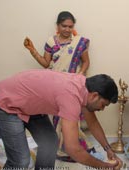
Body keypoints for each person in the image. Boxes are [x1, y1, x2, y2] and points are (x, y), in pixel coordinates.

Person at [0, 69, 122, 170]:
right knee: (20, 161)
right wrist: (104, 166)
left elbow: (92, 122)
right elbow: (73, 149)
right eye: (103, 105)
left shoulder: (84, 87)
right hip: (5, 103)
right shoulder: (71, 96)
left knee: (50, 142)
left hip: (26, 103)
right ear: (94, 95)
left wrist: (108, 150)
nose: (102, 109)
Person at [23, 11, 93, 161]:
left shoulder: (79, 42)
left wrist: (80, 74)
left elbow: (86, 61)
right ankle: (62, 149)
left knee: (72, 117)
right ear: (58, 26)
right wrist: (32, 50)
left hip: (72, 86)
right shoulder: (51, 42)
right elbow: (46, 64)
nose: (67, 29)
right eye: (64, 26)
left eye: (70, 26)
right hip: (55, 86)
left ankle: (74, 149)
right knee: (57, 117)